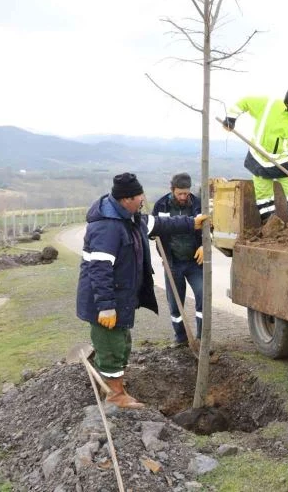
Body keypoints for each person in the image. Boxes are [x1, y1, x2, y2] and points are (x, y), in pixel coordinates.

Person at [76, 172, 208, 409]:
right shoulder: (108, 227)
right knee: (111, 344)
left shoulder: (130, 217)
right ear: (126, 199)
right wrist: (106, 306)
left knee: (122, 341)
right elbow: (99, 270)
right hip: (105, 301)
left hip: (121, 296)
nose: (142, 200)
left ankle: (116, 385)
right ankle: (115, 396)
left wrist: (191, 223)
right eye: (138, 196)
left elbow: (160, 224)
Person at [222, 88, 288, 225]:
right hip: (258, 157)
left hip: (282, 162)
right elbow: (245, 102)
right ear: (287, 102)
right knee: (263, 194)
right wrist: (231, 117)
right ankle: (270, 224)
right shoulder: (268, 105)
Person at [151, 172, 203, 346]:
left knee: (203, 295)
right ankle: (180, 338)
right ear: (172, 190)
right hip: (172, 263)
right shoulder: (161, 205)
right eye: (180, 193)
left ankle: (202, 338)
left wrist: (205, 245)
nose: (183, 197)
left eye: (186, 193)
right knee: (175, 304)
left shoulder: (198, 204)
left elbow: (209, 227)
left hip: (195, 263)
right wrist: (152, 236)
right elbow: (152, 228)